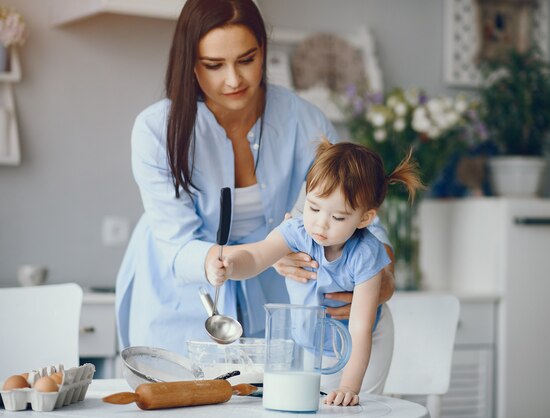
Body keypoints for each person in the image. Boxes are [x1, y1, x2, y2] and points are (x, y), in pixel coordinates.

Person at [115, 0, 397, 358]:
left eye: (247, 60)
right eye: (214, 65)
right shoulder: (156, 131)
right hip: (183, 296)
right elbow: (176, 243)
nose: (233, 80)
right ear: (190, 63)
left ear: (264, 50)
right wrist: (262, 254)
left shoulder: (304, 121)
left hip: (277, 296)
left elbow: (361, 215)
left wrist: (384, 275)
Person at [206, 139, 422, 405]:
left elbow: (360, 328)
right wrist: (230, 265)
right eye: (314, 207)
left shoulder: (366, 253)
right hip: (313, 340)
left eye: (338, 218)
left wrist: (350, 387)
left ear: (365, 218)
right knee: (316, 403)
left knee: (358, 405)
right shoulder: (297, 231)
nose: (320, 224)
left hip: (368, 341)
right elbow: (257, 256)